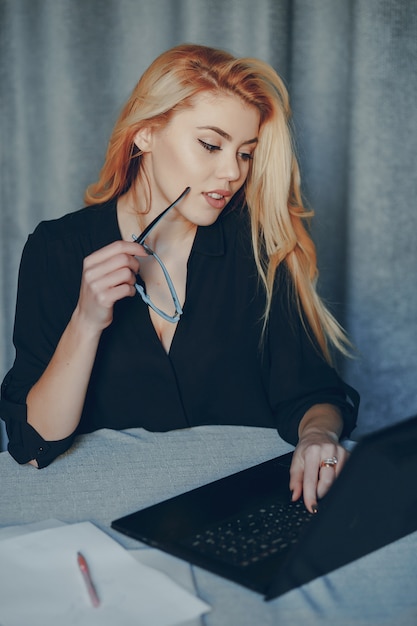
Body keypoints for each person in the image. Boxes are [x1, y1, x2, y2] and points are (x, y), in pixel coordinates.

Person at [0, 43, 359, 513]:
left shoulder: (259, 250)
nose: (231, 172)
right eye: (211, 145)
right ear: (145, 134)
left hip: (244, 512)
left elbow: (313, 395)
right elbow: (34, 443)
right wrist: (86, 322)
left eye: (245, 153)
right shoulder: (56, 248)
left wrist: (318, 436)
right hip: (107, 514)